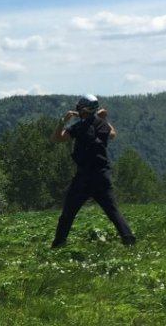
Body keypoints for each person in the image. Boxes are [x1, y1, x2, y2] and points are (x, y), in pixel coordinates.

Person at [50, 94, 135, 248]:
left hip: (83, 176)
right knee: (112, 210)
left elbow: (57, 138)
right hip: (102, 174)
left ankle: (59, 243)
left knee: (68, 213)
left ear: (81, 109)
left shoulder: (77, 127)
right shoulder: (102, 125)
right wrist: (103, 119)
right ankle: (128, 239)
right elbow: (113, 134)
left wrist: (63, 121)